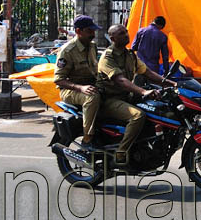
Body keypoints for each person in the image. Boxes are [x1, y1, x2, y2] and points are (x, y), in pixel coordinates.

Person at [97, 23, 175, 166]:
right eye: (121, 33)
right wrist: (143, 91)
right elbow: (120, 80)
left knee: (156, 108)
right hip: (110, 99)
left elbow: (148, 73)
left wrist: (171, 83)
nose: (126, 34)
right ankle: (121, 154)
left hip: (127, 96)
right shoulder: (107, 58)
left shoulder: (130, 55)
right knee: (138, 116)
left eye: (126, 31)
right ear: (113, 39)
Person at [54, 15, 103, 149]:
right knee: (92, 97)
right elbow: (58, 80)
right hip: (71, 90)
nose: (93, 34)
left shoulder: (92, 46)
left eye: (93, 31)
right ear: (78, 31)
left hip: (92, 85)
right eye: (89, 31)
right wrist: (80, 88)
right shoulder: (67, 51)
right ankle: (88, 139)